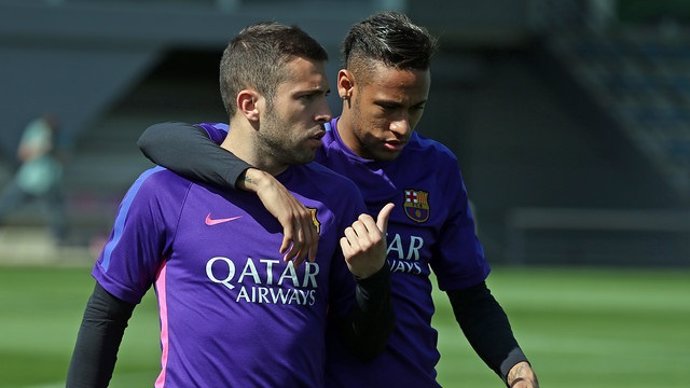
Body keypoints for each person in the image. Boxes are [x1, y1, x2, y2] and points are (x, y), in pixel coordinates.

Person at [138, 11, 539, 388]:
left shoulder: (436, 167)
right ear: (346, 86)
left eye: (417, 108)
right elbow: (163, 138)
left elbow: (469, 292)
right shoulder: (300, 152)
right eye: (388, 107)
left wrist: (514, 365)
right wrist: (258, 180)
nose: (402, 125)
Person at [67, 22, 394, 387]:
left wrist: (372, 278)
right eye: (306, 97)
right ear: (250, 104)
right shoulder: (164, 191)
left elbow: (364, 345)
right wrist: (257, 180)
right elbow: (105, 316)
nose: (325, 113)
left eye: (324, 95)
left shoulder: (337, 197)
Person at [0, 113, 67, 244]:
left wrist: (54, 150)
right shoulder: (35, 129)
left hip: (49, 181)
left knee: (57, 214)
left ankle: (59, 242)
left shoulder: (61, 135)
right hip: (28, 180)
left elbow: (65, 157)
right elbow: (22, 154)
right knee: (4, 205)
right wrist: (40, 148)